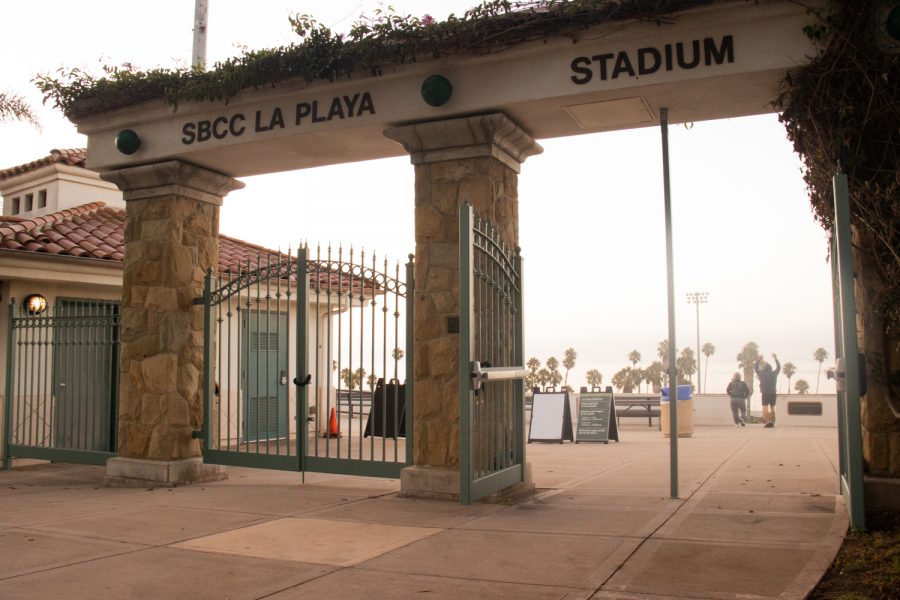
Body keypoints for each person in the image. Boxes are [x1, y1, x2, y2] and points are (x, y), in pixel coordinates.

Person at [754, 353, 781, 428]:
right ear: (771, 368)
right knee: (772, 407)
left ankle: (767, 422)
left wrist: (759, 359)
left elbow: (756, 367)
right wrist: (775, 358)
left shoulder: (761, 374)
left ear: (764, 368)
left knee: (765, 407)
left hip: (765, 393)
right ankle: (772, 421)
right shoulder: (774, 374)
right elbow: (779, 368)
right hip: (773, 393)